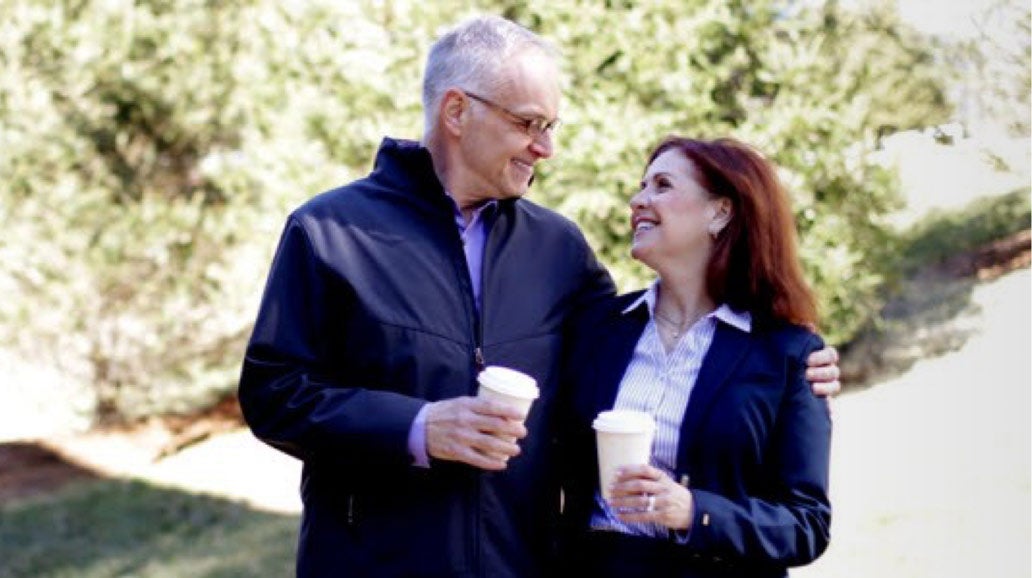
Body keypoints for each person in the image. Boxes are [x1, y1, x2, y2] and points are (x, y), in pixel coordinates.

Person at [238, 15, 840, 578]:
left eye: (550, 128)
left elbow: (651, 339)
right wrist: (420, 426)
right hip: (374, 563)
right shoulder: (328, 231)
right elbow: (273, 394)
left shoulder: (558, 248)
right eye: (530, 124)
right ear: (456, 110)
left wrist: (798, 361)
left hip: (521, 565)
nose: (545, 148)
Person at [558, 136, 833, 578]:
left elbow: (806, 525)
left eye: (662, 185)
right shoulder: (597, 327)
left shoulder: (787, 353)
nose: (637, 200)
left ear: (720, 211)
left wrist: (693, 511)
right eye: (641, 186)